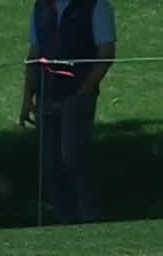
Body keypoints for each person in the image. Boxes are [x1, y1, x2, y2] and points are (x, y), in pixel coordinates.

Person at [20, 0, 117, 225]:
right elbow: (35, 54)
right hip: (47, 94)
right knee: (50, 162)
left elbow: (106, 52)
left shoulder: (95, 6)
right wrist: (28, 98)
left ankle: (88, 217)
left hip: (77, 94)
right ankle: (66, 221)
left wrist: (84, 90)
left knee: (73, 156)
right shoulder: (42, 7)